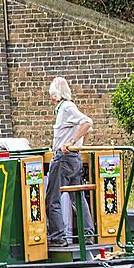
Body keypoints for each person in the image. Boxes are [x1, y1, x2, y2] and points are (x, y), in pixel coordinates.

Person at [45, 77, 94, 247]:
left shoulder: (66, 108)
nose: (51, 99)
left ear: (56, 95)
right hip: (74, 159)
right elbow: (87, 127)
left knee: (52, 199)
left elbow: (88, 123)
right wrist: (80, 146)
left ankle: (58, 238)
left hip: (63, 159)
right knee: (78, 198)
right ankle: (88, 235)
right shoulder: (67, 108)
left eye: (52, 95)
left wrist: (72, 143)